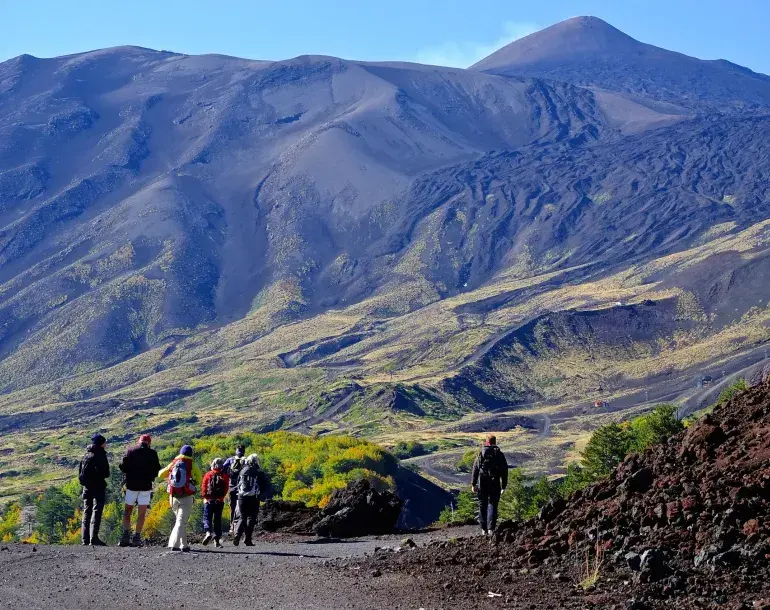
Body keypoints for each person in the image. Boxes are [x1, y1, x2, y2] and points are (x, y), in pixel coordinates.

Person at [118, 434, 161, 547]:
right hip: (145, 487)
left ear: (139, 441)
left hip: (132, 486)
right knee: (141, 513)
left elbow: (122, 467)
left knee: (128, 511)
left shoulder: (131, 451)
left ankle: (125, 536)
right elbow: (157, 470)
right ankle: (137, 537)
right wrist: (150, 476)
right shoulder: (152, 453)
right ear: (149, 443)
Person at [158, 445, 201, 552]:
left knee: (180, 521)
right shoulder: (192, 464)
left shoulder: (174, 463)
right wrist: (192, 480)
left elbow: (160, 474)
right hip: (186, 497)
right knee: (181, 522)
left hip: (173, 497)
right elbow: (199, 480)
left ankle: (184, 545)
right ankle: (174, 544)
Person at [471, 435, 508, 536]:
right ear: (495, 442)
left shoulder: (481, 454)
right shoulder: (499, 454)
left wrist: (473, 484)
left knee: (482, 505)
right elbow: (504, 470)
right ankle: (491, 529)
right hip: (495, 482)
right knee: (493, 505)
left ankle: (484, 529)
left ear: (486, 442)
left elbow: (475, 469)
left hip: (482, 483)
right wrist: (504, 485)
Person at [78, 433, 110, 546]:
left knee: (87, 511)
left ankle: (84, 539)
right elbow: (106, 473)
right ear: (101, 443)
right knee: (97, 511)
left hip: (86, 487)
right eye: (105, 443)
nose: (105, 445)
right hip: (98, 486)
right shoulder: (100, 454)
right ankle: (93, 538)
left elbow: (80, 472)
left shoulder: (86, 454)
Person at [232, 454, 268, 547]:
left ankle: (237, 535)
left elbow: (237, 482)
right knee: (251, 518)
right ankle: (247, 539)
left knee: (242, 517)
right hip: (253, 497)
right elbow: (264, 484)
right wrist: (260, 494)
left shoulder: (242, 470)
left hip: (241, 497)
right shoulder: (258, 472)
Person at [201, 458, 230, 548]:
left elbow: (204, 487)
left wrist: (206, 498)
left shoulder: (208, 474)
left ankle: (208, 532)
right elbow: (226, 489)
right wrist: (220, 498)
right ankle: (216, 541)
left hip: (208, 501)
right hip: (219, 502)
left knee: (207, 518)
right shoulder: (224, 476)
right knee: (217, 520)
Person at [223, 445, 245, 534]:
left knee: (232, 507)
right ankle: (239, 527)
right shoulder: (246, 460)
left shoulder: (230, 460)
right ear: (244, 451)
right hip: (242, 487)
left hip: (232, 486)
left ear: (236, 451)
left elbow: (222, 469)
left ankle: (231, 527)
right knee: (241, 507)